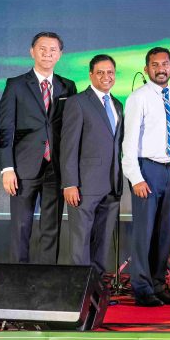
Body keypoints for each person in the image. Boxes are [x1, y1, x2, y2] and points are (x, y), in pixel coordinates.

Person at [0, 31, 77, 263]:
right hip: (23, 168)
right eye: (42, 49)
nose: (47, 54)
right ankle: (18, 277)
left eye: (53, 50)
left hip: (56, 168)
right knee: (21, 226)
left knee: (52, 227)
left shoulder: (68, 86)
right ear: (32, 52)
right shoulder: (16, 85)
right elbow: (5, 129)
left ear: (60, 55)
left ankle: (46, 277)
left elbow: (71, 130)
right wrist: (7, 168)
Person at [122, 47, 170, 307]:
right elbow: (128, 141)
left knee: (164, 233)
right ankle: (142, 288)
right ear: (146, 69)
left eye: (165, 64)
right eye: (155, 65)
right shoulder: (138, 97)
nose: (161, 69)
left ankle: (158, 284)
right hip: (147, 170)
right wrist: (135, 177)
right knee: (144, 233)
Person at [60, 54, 123, 275]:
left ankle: (95, 287)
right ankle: (80, 288)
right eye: (100, 72)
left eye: (110, 72)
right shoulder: (77, 102)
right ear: (90, 75)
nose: (106, 77)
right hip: (84, 186)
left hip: (112, 185)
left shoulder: (117, 104)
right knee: (81, 242)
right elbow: (68, 146)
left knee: (102, 242)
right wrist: (70, 183)